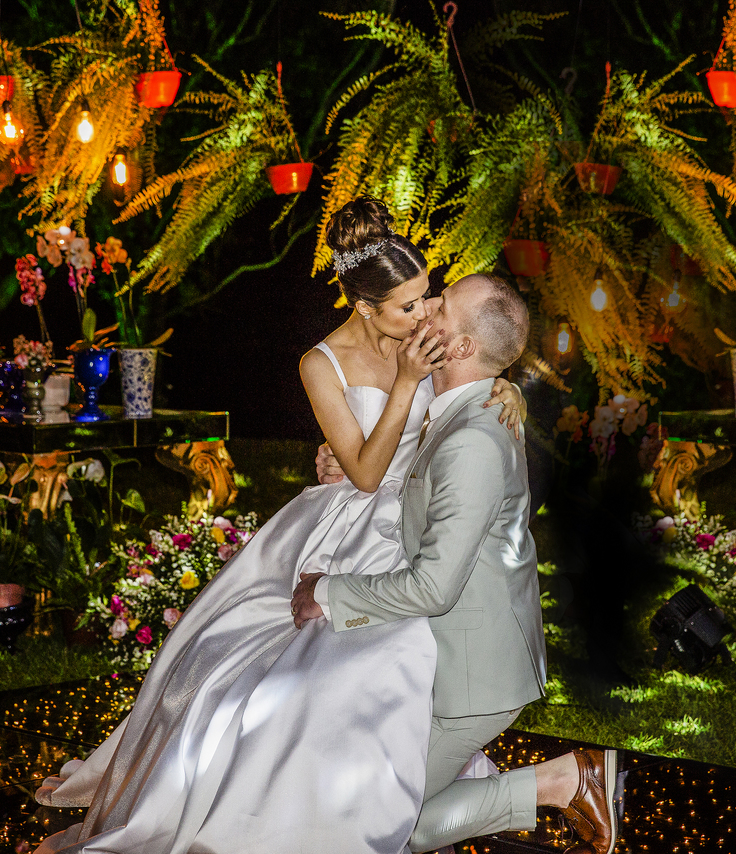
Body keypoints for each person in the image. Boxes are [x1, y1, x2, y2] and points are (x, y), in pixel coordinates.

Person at [31, 196, 525, 854]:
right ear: (364, 306)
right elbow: (367, 471)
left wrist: (505, 384)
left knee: (402, 652)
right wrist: (397, 395)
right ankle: (271, 798)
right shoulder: (321, 362)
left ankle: (382, 784)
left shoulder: (426, 339)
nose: (425, 311)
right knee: (276, 667)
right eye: (410, 303)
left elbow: (470, 386)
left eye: (428, 296)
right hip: (354, 513)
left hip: (417, 514)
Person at [293, 273, 626, 854]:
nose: (425, 308)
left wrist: (326, 593)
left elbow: (434, 587)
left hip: (476, 679)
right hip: (446, 658)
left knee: (385, 824)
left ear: (464, 347)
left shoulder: (472, 435)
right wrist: (343, 462)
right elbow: (402, 471)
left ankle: (565, 781)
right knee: (366, 796)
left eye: (441, 306)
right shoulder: (458, 409)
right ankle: (562, 781)